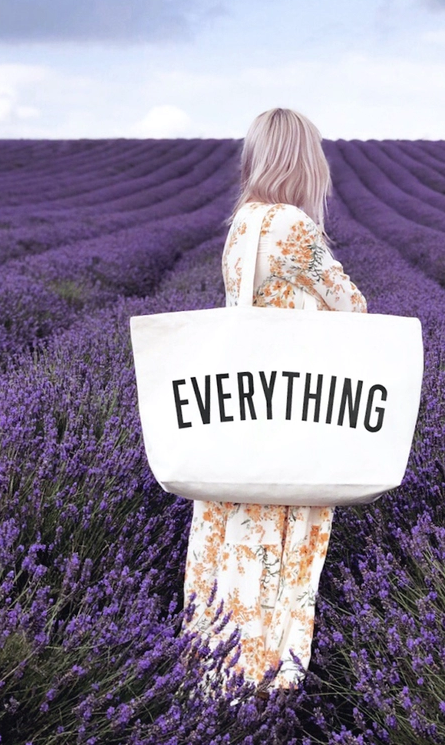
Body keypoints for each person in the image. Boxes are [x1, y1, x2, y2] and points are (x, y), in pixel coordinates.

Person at [182, 107, 368, 695]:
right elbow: (354, 308)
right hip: (290, 425)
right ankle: (268, 693)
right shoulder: (292, 226)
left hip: (242, 422)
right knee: (277, 562)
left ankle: (215, 695)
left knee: (231, 555)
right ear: (303, 161)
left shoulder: (243, 225)